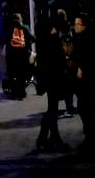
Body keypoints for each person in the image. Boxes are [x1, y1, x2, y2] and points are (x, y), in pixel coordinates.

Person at [33, 18, 71, 154]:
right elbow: (59, 59)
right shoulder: (51, 41)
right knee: (52, 110)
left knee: (52, 109)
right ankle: (45, 138)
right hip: (54, 79)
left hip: (49, 80)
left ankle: (50, 138)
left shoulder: (42, 42)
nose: (55, 30)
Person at [70, 14, 95, 153]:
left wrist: (81, 68)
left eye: (78, 24)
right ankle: (91, 138)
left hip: (86, 79)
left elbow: (88, 56)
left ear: (83, 26)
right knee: (86, 108)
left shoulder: (86, 38)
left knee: (86, 108)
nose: (75, 26)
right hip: (87, 79)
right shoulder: (82, 37)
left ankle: (92, 140)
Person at [6, 12, 30, 98]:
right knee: (22, 74)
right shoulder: (25, 28)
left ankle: (13, 93)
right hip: (22, 55)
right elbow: (33, 38)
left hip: (11, 56)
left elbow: (5, 39)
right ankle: (22, 92)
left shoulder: (9, 28)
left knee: (11, 74)